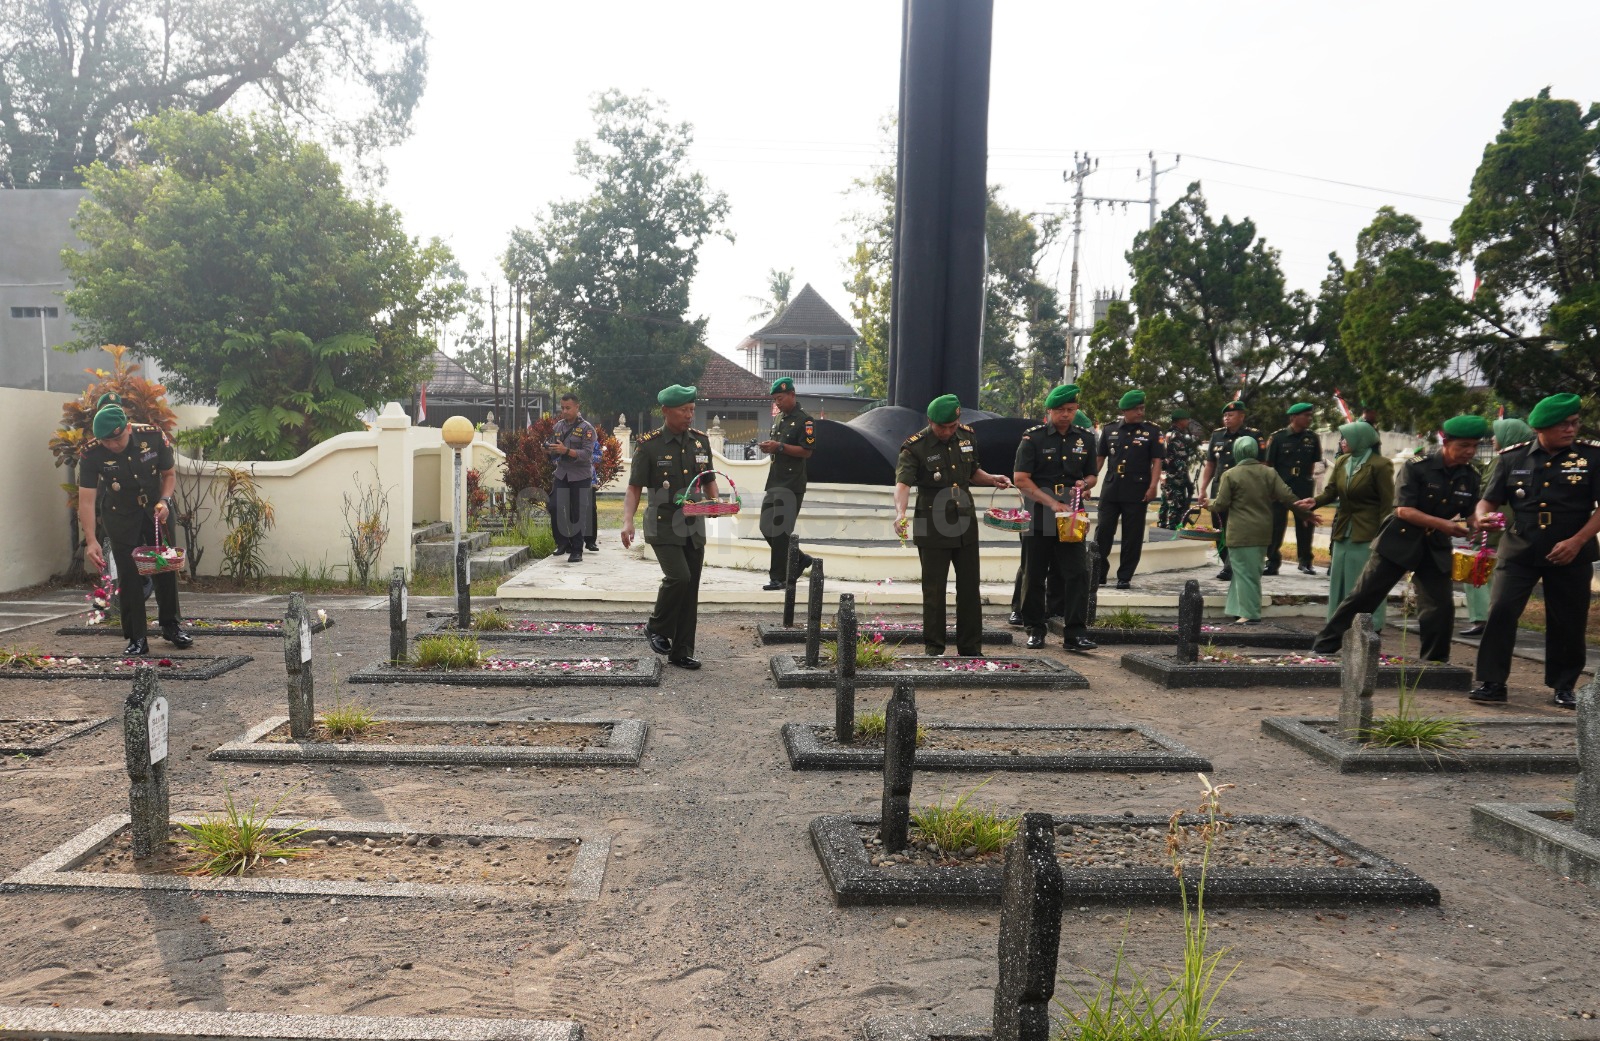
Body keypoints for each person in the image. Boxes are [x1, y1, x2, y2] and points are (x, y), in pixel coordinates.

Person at [1311, 416, 1488, 662]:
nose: (1469, 452)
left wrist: (1479, 522)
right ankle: (1323, 648)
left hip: (1434, 545)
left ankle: (1435, 663)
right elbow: (1403, 510)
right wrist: (1443, 524)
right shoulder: (1418, 466)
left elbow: (1470, 512)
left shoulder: (1470, 475)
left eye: (1474, 446)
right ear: (1445, 441)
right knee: (1364, 596)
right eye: (1463, 446)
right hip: (1400, 540)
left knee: (1440, 607)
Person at [1469, 395, 1600, 708]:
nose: (1571, 428)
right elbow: (1489, 500)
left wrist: (1578, 541)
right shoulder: (1513, 457)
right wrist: (1483, 515)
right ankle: (1492, 682)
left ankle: (1564, 685)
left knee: (1568, 620)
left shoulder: (1591, 457)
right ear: (1541, 428)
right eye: (1563, 424)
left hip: (1569, 551)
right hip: (1520, 549)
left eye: (1575, 422)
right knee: (1500, 610)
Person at [893, 394, 1013, 657]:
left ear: (959, 420)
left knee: (970, 588)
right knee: (934, 591)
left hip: (964, 521)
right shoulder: (915, 447)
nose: (947, 432)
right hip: (931, 524)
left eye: (952, 426)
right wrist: (900, 513)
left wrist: (993, 479)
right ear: (930, 421)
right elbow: (902, 485)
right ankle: (934, 648)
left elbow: (972, 472)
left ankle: (970, 648)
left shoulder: (968, 437)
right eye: (941, 427)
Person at [76, 404, 193, 655]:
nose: (113, 445)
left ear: (128, 427)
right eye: (107, 441)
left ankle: (171, 625)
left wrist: (165, 501)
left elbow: (169, 474)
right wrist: (91, 540)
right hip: (120, 516)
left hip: (155, 511)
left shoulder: (151, 436)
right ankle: (137, 636)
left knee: (164, 566)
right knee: (129, 575)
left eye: (117, 439)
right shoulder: (91, 453)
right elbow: (86, 499)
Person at [621, 385, 716, 670]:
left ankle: (681, 651)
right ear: (665, 411)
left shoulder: (700, 442)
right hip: (663, 524)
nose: (689, 416)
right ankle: (656, 626)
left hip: (693, 525)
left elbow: (708, 476)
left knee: (691, 589)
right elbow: (634, 487)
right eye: (683, 410)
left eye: (691, 410)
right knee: (679, 578)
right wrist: (627, 521)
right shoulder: (649, 445)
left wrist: (716, 501)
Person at [1014, 384, 1099, 651]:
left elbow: (1092, 475)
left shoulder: (1085, 438)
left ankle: (1075, 633)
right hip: (1039, 513)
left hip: (1072, 516)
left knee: (1077, 573)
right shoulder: (1033, 438)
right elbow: (1021, 480)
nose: (1066, 415)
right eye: (1060, 410)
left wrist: (1084, 485)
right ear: (1049, 411)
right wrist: (1052, 503)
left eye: (1071, 410)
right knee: (1034, 574)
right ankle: (1035, 629)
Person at [1211, 436, 1318, 623]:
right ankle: (1237, 608)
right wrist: (1304, 514)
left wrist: (1207, 504)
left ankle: (1250, 614)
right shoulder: (1269, 473)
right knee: (1247, 572)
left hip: (1240, 532)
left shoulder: (1231, 474)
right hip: (1262, 531)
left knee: (1245, 573)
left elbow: (1221, 504)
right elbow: (1287, 496)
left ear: (1237, 452)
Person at [1307, 420, 1394, 634]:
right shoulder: (1343, 462)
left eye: (1347, 438)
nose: (1342, 442)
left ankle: (1371, 622)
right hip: (1343, 528)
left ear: (1361, 440)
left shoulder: (1380, 465)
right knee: (1339, 576)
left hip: (1367, 530)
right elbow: (1330, 492)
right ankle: (1338, 621)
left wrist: (1384, 535)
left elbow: (1387, 503)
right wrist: (1314, 502)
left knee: (1364, 579)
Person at [1457, 417, 1531, 636]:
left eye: (1497, 433)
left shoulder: (1505, 461)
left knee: (1480, 572)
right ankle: (1485, 618)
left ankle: (1483, 619)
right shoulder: (1503, 459)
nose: (1492, 438)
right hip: (1492, 523)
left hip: (1494, 526)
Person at [1092, 390, 1164, 589]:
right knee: (1103, 532)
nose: (1141, 412)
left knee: (1132, 536)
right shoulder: (1109, 430)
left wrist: (1153, 486)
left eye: (1142, 408)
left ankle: (1125, 576)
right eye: (1136, 409)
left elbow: (1157, 461)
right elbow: (1099, 459)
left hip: (1137, 490)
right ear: (1125, 410)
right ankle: (1098, 573)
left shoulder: (1152, 431)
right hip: (1111, 488)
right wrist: (1088, 482)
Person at [759, 376, 815, 591]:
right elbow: (777, 445)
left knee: (781, 531)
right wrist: (771, 447)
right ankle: (799, 559)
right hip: (774, 480)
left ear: (792, 394)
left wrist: (779, 447)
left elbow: (807, 452)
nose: (777, 403)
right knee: (766, 526)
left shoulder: (805, 421)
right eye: (775, 399)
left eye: (780, 398)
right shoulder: (779, 418)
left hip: (792, 483)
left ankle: (779, 577)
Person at [1197, 401, 1265, 581]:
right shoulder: (1217, 435)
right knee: (1219, 526)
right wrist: (1203, 489)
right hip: (1220, 487)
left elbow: (1262, 464)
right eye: (1225, 415)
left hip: (1242, 489)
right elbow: (1210, 463)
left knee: (1237, 528)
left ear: (1241, 416)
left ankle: (1231, 567)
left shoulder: (1253, 436)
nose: (1227, 418)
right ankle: (1227, 561)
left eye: (1231, 415)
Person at [1266, 402, 1322, 575]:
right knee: (1276, 525)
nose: (1309, 419)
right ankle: (1272, 561)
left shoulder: (1312, 438)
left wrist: (1306, 481)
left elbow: (1313, 464)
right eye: (1305, 415)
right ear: (1293, 417)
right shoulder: (1278, 437)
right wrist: (1272, 488)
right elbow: (1269, 465)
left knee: (1305, 524)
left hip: (1303, 487)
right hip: (1281, 486)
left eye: (1310, 415)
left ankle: (1305, 561)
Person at [548, 393, 596, 563]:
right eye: (562, 408)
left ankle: (577, 550)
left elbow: (587, 454)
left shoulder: (587, 429)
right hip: (562, 473)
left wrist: (566, 451)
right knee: (554, 505)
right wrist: (549, 451)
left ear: (577, 407)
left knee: (578, 513)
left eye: (568, 408)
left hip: (580, 475)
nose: (565, 411)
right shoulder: (558, 427)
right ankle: (562, 543)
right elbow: (554, 451)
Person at [1158, 409, 1198, 529]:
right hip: (1176, 477)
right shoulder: (1178, 437)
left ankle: (1161, 526)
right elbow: (1180, 462)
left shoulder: (1166, 435)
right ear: (1180, 421)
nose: (1188, 422)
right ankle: (1173, 530)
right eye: (1186, 420)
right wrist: (1187, 481)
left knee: (1165, 502)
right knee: (1176, 506)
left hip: (1165, 475)